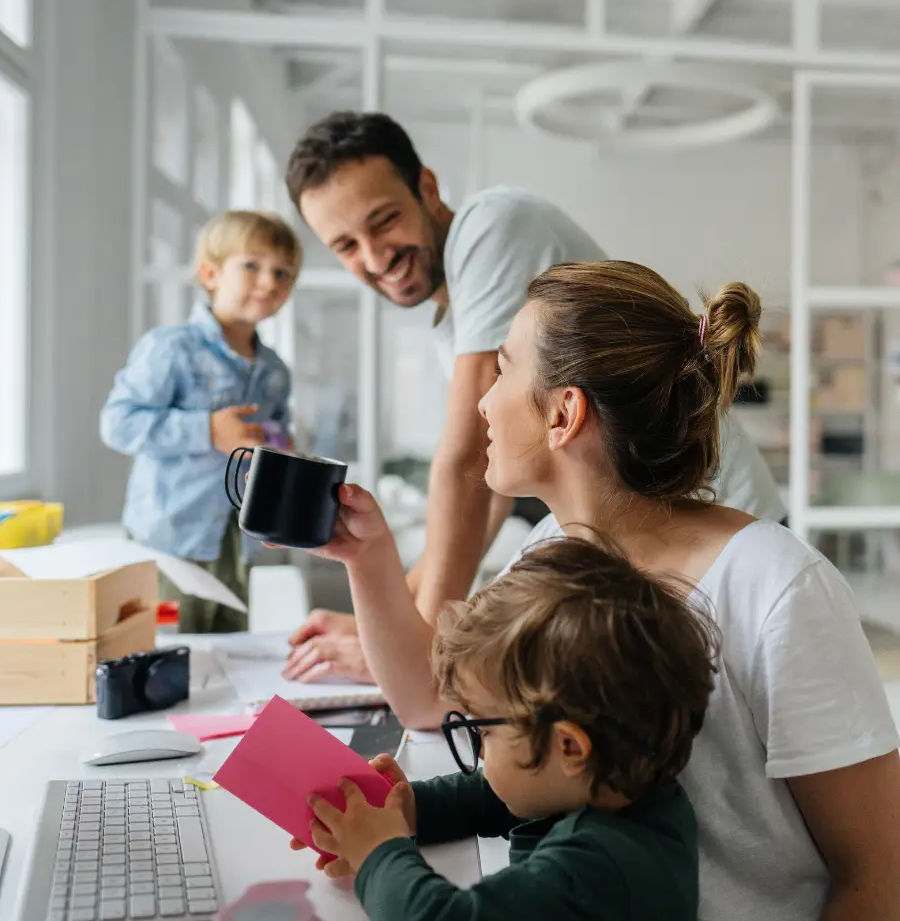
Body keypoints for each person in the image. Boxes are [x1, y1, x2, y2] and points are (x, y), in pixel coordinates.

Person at [287, 261, 900, 921]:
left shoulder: (778, 587)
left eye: (502, 370)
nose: (482, 403)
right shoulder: (549, 550)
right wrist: (367, 558)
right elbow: (437, 703)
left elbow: (878, 877)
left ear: (563, 412)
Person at [281, 110, 785, 684]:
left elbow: (466, 459)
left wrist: (417, 651)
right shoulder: (454, 316)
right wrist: (390, 625)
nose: (375, 257)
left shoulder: (490, 228)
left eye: (385, 221)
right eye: (346, 245)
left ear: (427, 187)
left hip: (714, 527)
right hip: (652, 542)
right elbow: (491, 481)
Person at [292, 537, 719, 921]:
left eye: (485, 731)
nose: (479, 751)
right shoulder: (622, 785)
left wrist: (378, 854)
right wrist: (406, 809)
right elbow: (498, 796)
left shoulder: (600, 867)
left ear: (569, 747)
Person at [100, 211, 300, 632]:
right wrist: (207, 430)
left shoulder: (276, 371)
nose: (269, 282)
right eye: (252, 265)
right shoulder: (170, 349)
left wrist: (282, 455)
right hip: (169, 541)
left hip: (238, 540)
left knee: (229, 651)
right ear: (211, 274)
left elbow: (278, 439)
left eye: (283, 273)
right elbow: (118, 422)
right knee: (169, 650)